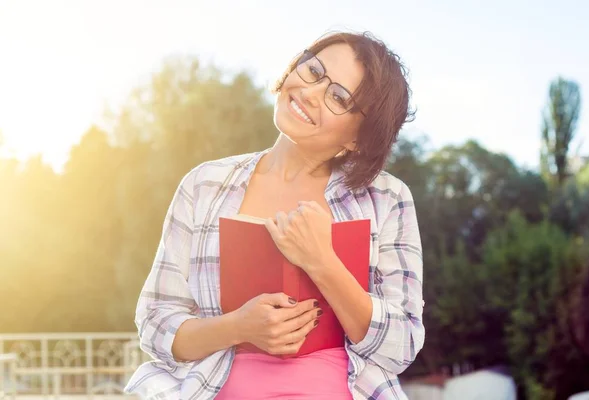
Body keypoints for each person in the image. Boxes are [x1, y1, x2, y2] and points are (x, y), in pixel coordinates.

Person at [124, 30, 424, 400]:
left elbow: (402, 345)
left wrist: (323, 262)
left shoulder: (387, 198)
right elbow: (155, 323)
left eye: (338, 98)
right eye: (313, 71)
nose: (310, 92)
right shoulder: (204, 185)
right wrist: (239, 327)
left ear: (359, 138)